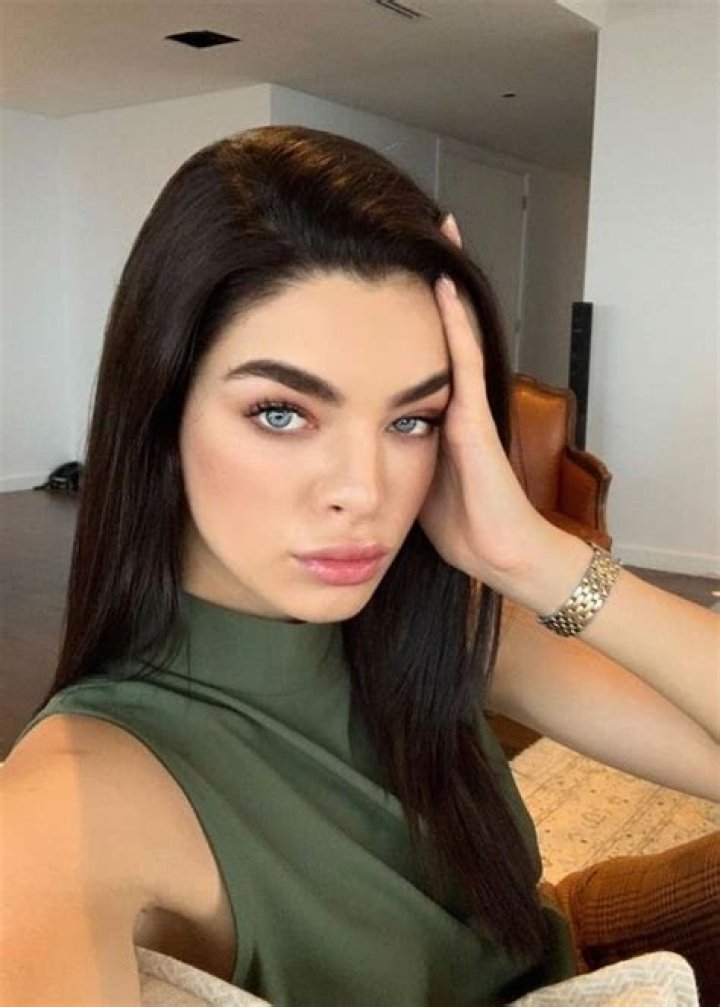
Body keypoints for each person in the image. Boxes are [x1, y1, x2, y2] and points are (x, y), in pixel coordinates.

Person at [1, 125, 717, 1007]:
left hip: (565, 942)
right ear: (161, 408)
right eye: (281, 412)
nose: (364, 491)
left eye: (411, 420)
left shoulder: (436, 622)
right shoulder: (67, 802)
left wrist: (535, 556)